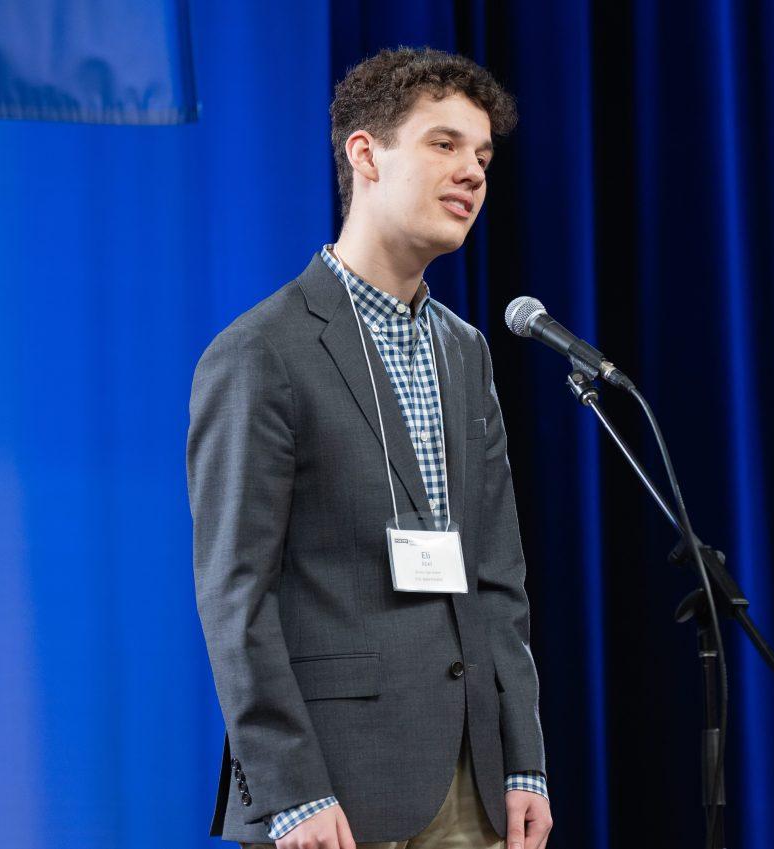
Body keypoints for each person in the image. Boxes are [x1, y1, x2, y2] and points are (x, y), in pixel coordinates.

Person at [187, 47, 552, 849]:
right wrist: (291, 792)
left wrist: (523, 762)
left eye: (483, 157)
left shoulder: (467, 350)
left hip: (474, 788)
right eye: (444, 144)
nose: (473, 173)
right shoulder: (262, 351)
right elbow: (235, 597)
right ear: (366, 154)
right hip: (334, 793)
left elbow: (498, 575)